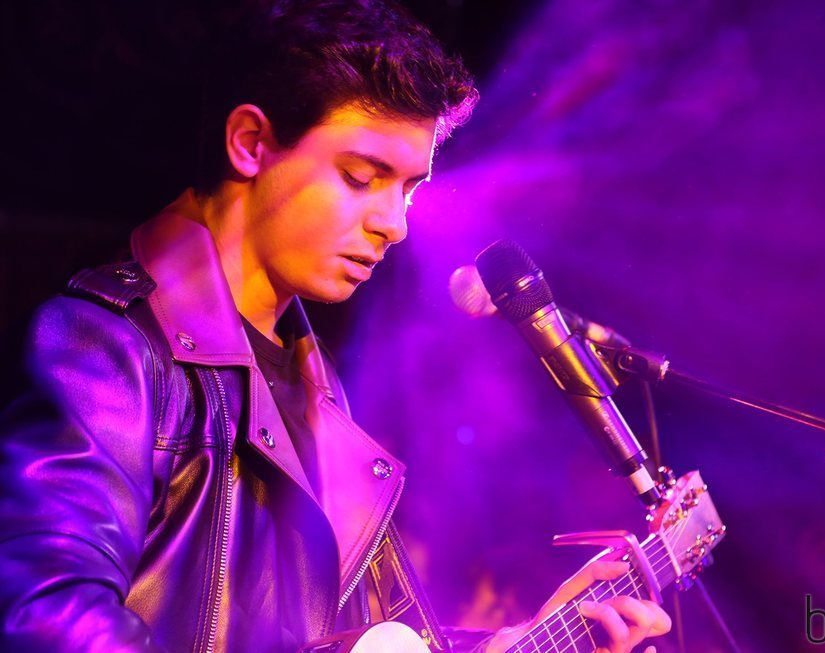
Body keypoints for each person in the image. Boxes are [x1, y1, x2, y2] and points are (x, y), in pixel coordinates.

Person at [0, 1, 670, 651]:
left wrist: (510, 644)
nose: (395, 223)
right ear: (251, 143)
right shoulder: (105, 345)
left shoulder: (318, 391)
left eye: (408, 190)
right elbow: (45, 616)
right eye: (361, 176)